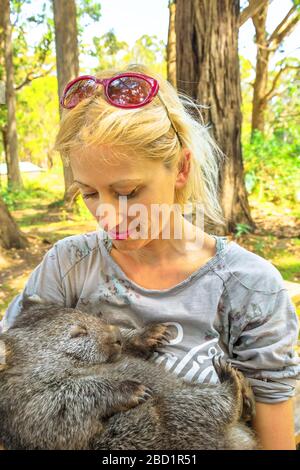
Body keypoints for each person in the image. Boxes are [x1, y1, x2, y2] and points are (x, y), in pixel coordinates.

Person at [1, 63, 299, 450]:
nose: (106, 213)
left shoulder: (249, 287)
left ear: (181, 168)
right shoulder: (68, 266)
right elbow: (14, 380)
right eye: (89, 193)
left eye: (127, 190)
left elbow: (275, 435)